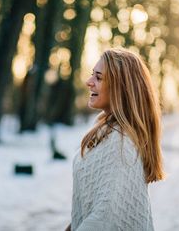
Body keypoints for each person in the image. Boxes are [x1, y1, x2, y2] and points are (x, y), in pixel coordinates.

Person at [65, 48, 164, 231]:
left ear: (121, 87)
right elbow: (96, 202)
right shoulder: (105, 132)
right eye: (92, 75)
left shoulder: (121, 143)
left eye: (99, 77)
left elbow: (108, 218)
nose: (89, 82)